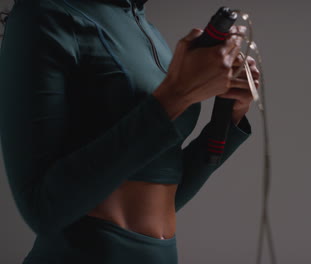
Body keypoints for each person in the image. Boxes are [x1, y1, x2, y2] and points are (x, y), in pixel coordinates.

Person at [0, 0, 260, 262]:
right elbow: (42, 210)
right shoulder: (43, 15)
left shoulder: (144, 27)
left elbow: (158, 189)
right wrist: (178, 94)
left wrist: (230, 115)